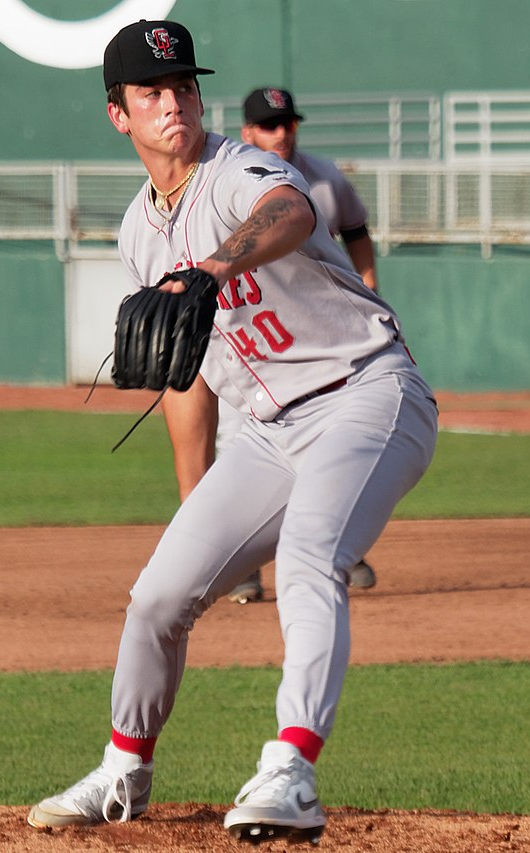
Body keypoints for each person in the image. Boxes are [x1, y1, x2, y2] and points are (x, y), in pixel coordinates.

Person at [27, 19, 438, 844]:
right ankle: (123, 768)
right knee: (157, 597)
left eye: (183, 86)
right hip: (266, 433)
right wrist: (198, 495)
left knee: (310, 556)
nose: (173, 102)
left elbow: (286, 208)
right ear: (120, 115)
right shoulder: (137, 235)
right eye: (152, 92)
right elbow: (191, 376)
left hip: (363, 391)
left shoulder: (240, 168)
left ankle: (290, 768)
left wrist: (215, 266)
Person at [226, 86, 380, 604]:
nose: (282, 133)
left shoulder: (325, 178)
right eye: (270, 125)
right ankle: (243, 569)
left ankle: (341, 545)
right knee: (241, 452)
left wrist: (369, 283)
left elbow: (356, 229)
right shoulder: (232, 178)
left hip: (320, 339)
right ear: (248, 132)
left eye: (288, 123)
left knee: (331, 443)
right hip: (253, 342)